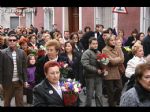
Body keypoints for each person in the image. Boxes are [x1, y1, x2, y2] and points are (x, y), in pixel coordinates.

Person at [0, 34, 29, 106]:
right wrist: (0, 82)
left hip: (19, 82)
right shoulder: (2, 53)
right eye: (10, 40)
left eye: (14, 40)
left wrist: (25, 80)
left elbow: (24, 68)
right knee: (7, 103)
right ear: (8, 42)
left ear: (17, 41)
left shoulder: (22, 52)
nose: (12, 41)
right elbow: (0, 68)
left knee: (20, 103)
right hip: (7, 82)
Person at [102, 34, 124, 106]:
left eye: (114, 40)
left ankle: (114, 100)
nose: (114, 41)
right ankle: (111, 104)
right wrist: (118, 59)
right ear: (108, 41)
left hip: (117, 71)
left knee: (120, 88)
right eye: (111, 40)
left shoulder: (118, 48)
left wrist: (115, 59)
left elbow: (122, 60)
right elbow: (111, 62)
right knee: (110, 90)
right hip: (109, 72)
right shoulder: (105, 50)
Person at [81, 37, 104, 107]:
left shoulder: (99, 52)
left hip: (98, 77)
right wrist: (96, 70)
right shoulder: (86, 53)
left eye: (96, 44)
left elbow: (103, 63)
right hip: (89, 77)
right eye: (93, 44)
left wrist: (104, 68)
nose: (95, 45)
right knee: (89, 96)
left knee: (99, 95)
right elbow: (85, 65)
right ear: (89, 44)